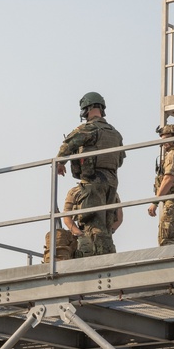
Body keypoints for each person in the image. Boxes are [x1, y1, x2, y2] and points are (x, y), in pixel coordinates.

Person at [54, 92, 125, 256]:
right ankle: (107, 256)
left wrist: (60, 163)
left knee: (92, 224)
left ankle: (93, 258)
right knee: (106, 225)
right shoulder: (115, 134)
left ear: (86, 108)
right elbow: (120, 160)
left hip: (93, 181)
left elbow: (69, 144)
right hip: (112, 181)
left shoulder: (89, 128)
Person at [42, 181, 124, 262]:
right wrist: (79, 233)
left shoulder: (110, 191)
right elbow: (67, 217)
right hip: (89, 236)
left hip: (101, 237)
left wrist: (109, 230)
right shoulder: (75, 191)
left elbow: (119, 217)